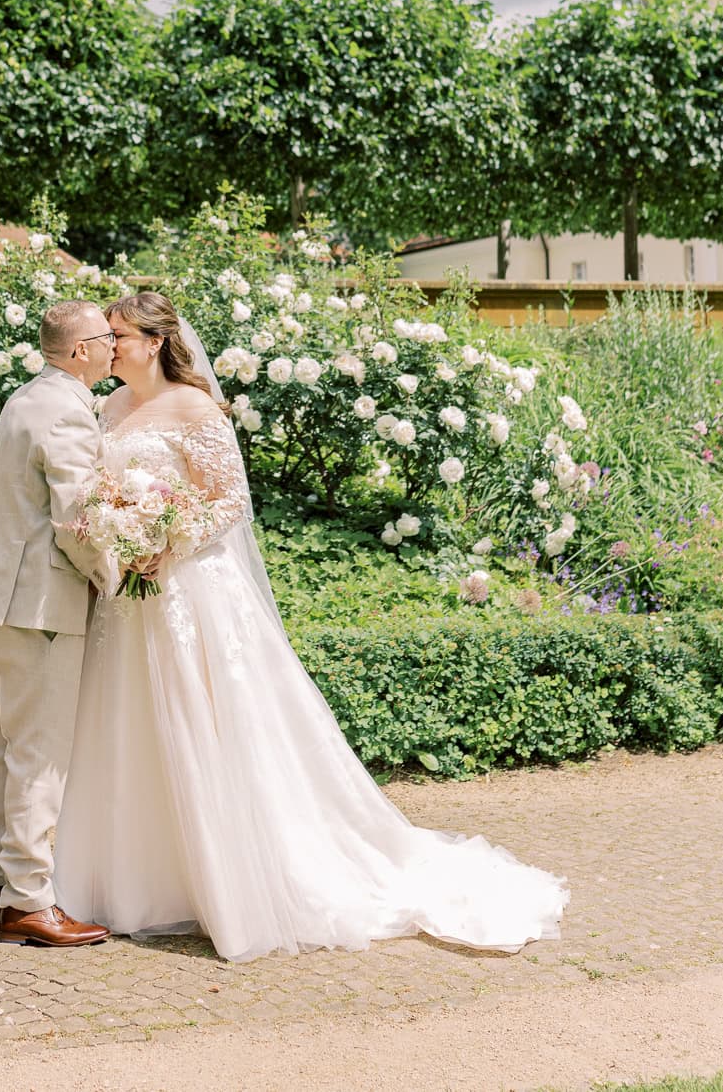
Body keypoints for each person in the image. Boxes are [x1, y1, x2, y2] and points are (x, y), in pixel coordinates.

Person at [53, 291, 569, 963]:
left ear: (153, 341)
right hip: (128, 596)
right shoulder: (111, 407)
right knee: (127, 725)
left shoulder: (194, 408)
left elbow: (230, 501)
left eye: (118, 334)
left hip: (190, 590)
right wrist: (118, 534)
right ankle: (133, 884)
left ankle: (226, 879)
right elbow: (103, 492)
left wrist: (168, 542)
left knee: (203, 721)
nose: (108, 345)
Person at [0, 298, 120, 947]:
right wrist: (115, 577)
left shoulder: (26, 397)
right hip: (40, 607)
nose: (115, 344)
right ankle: (27, 900)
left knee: (1, 734)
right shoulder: (67, 411)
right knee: (39, 752)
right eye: (106, 337)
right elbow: (77, 520)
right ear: (81, 350)